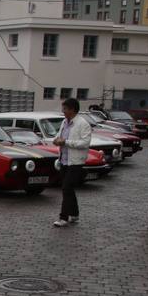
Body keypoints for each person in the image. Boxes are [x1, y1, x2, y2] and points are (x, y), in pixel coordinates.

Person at [52, 97, 92, 228]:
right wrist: (56, 140)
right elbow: (59, 136)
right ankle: (74, 214)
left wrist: (66, 142)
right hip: (64, 159)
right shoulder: (64, 122)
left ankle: (63, 217)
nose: (63, 111)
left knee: (66, 187)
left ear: (72, 109)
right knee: (68, 189)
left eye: (65, 109)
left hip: (75, 162)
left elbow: (85, 143)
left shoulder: (82, 124)